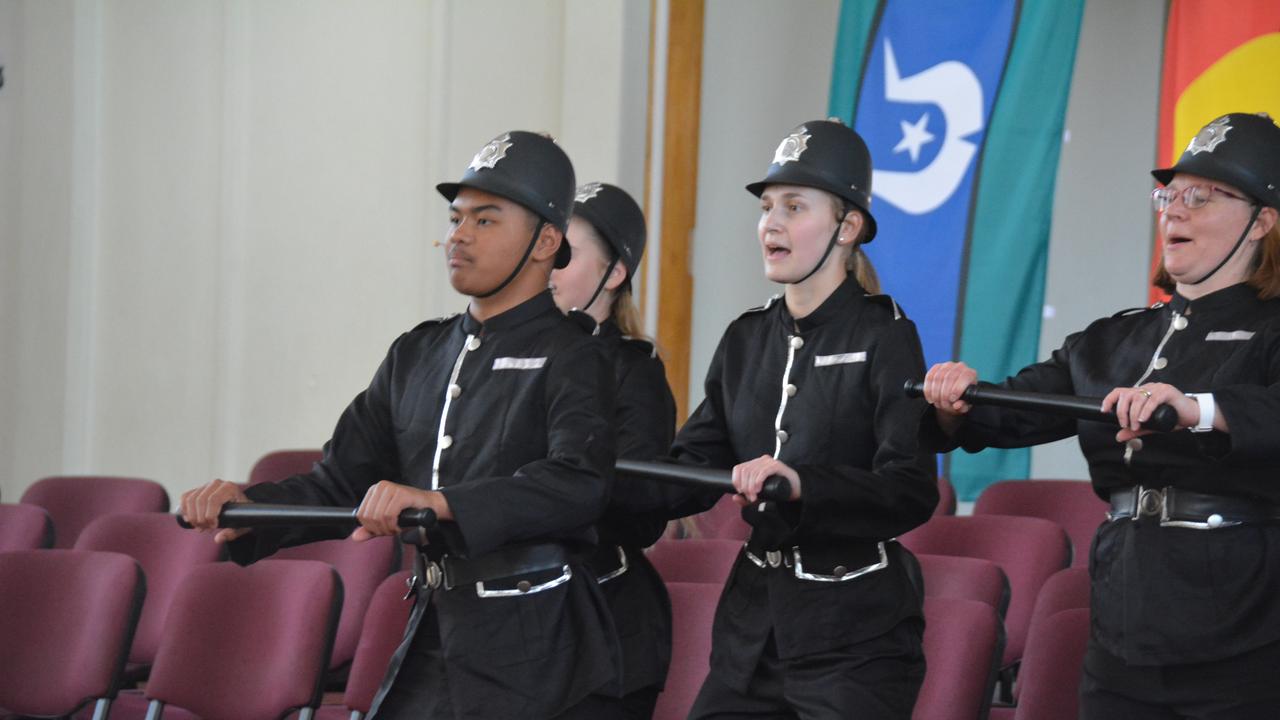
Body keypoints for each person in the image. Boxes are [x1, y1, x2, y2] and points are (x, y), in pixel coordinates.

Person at [179, 130, 623, 720]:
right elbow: (339, 481)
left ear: (545, 241)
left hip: (538, 644)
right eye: (456, 217)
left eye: (485, 221)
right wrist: (245, 506)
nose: (458, 236)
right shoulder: (418, 353)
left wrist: (441, 503)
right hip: (435, 624)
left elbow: (576, 484)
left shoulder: (576, 356)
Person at [920, 112, 1280, 719]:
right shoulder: (1114, 340)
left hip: (1244, 627)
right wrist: (958, 401)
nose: (1175, 211)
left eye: (1202, 196)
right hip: (1123, 614)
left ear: (1261, 221)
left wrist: (1196, 410)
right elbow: (1007, 412)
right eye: (1168, 195)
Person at [665, 119, 938, 719]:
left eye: (794, 205)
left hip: (854, 636)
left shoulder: (885, 334)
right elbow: (692, 463)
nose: (771, 223)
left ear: (848, 227)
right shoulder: (745, 337)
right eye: (767, 207)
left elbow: (909, 489)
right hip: (750, 629)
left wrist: (802, 482)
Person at [549, 181, 677, 719]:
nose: (546, 265)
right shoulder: (520, 358)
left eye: (564, 254)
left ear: (614, 274)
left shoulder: (635, 370)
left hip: (606, 624)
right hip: (524, 625)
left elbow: (642, 502)